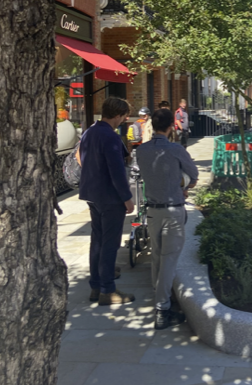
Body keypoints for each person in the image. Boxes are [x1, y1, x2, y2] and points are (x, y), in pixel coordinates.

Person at [135, 108, 197, 329]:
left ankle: (159, 297)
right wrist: (184, 185)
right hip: (172, 209)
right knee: (169, 259)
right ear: (172, 126)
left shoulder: (141, 151)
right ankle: (163, 309)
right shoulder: (176, 150)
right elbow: (194, 175)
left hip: (152, 210)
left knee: (157, 257)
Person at [80, 96, 136, 306]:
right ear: (118, 115)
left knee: (97, 241)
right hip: (110, 197)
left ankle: (96, 286)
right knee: (110, 244)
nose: (124, 120)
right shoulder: (111, 137)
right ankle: (107, 290)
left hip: (92, 194)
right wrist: (127, 198)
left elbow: (80, 158)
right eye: (124, 116)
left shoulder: (89, 132)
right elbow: (117, 172)